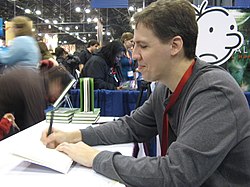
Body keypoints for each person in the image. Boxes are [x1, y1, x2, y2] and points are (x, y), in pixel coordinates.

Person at [41, 0, 250, 186]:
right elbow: (132, 126)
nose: (134, 55)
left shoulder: (214, 93)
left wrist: (96, 158)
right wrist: (76, 136)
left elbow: (178, 174)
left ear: (175, 45)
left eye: (143, 46)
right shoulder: (165, 87)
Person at [0, 65, 73, 132]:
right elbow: (33, 129)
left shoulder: (37, 79)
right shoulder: (37, 90)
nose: (58, 97)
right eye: (60, 92)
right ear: (57, 84)